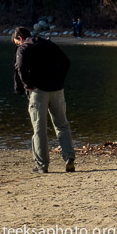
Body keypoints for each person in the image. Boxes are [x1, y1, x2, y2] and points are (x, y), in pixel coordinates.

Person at [12, 27, 76, 174]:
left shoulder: (23, 48)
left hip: (38, 91)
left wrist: (26, 85)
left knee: (39, 129)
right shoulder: (48, 43)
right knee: (62, 125)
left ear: (20, 38)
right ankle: (69, 157)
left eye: (16, 42)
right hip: (57, 90)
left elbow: (20, 67)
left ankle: (42, 165)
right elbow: (66, 62)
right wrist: (60, 80)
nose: (16, 45)